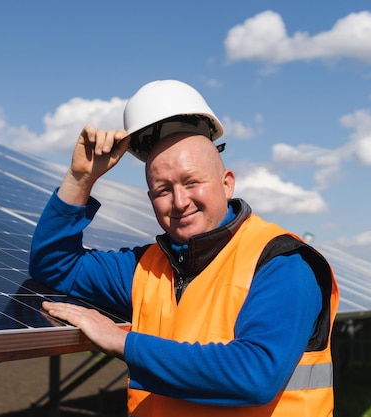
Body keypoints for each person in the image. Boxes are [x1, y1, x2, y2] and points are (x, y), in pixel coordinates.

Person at [29, 79, 339, 417]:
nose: (179, 202)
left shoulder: (281, 262)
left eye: (192, 182)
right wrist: (79, 180)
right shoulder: (146, 267)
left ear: (227, 183)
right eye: (162, 190)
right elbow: (55, 265)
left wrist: (121, 342)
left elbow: (256, 374)